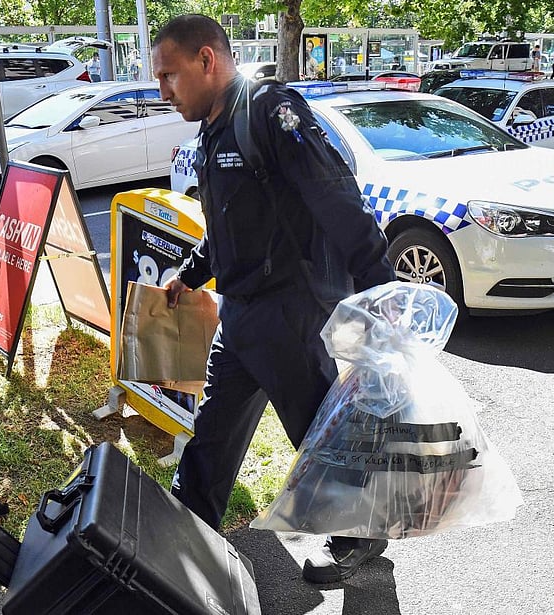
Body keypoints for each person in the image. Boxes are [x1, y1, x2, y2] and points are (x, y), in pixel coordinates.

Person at [151, 14, 395, 585]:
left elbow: (336, 201)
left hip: (289, 314)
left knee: (316, 434)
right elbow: (232, 226)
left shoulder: (268, 111)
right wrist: (191, 273)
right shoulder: (213, 128)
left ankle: (360, 538)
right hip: (241, 316)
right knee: (213, 428)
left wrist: (382, 290)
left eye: (169, 75)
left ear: (207, 60)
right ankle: (190, 530)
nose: (162, 90)